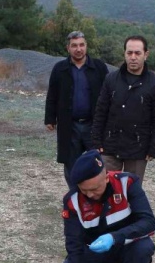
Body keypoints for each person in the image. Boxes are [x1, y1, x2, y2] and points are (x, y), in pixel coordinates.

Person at [49, 150, 155, 263]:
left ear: (106, 177)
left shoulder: (127, 183)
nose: (90, 195)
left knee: (144, 247)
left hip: (125, 247)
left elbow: (149, 222)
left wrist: (115, 237)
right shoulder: (72, 200)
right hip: (93, 252)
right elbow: (74, 244)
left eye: (94, 189)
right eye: (85, 190)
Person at [91, 35, 155, 181]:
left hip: (138, 148)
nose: (133, 57)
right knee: (106, 189)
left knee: (132, 191)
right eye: (129, 53)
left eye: (137, 53)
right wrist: (96, 140)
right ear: (124, 54)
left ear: (146, 54)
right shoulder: (111, 79)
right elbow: (101, 111)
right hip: (110, 146)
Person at [45, 31, 110, 188]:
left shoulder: (99, 68)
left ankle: (96, 196)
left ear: (86, 46)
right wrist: (50, 118)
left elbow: (109, 94)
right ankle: (75, 198)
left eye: (81, 45)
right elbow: (52, 94)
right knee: (71, 164)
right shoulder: (60, 69)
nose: (78, 49)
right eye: (74, 46)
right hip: (70, 125)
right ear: (68, 48)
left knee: (98, 162)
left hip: (94, 125)